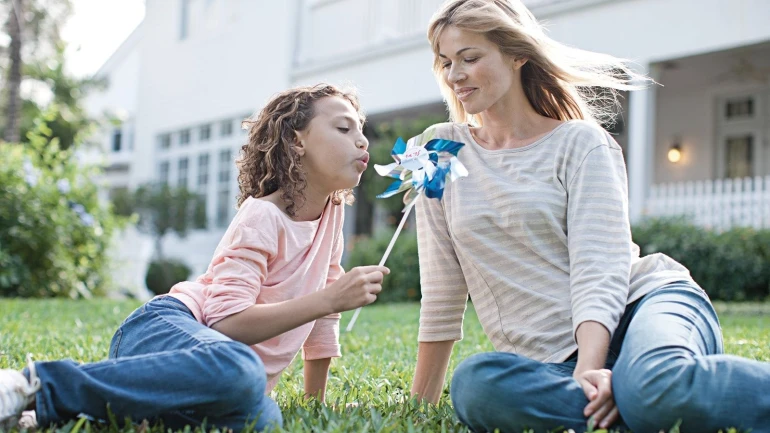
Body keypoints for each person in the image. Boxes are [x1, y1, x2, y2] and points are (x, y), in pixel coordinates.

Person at [408, 1, 770, 432]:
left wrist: (590, 369)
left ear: (518, 54)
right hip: (553, 363)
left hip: (642, 306)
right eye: (446, 63)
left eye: (470, 58)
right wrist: (420, 405)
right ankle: (635, 403)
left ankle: (644, 394)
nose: (455, 75)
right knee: (477, 385)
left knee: (656, 386)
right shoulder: (436, 151)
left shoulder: (582, 143)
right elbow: (442, 287)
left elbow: (600, 263)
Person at [0, 84, 389, 432]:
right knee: (240, 370)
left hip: (215, 376)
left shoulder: (331, 219)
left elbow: (322, 321)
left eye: (361, 130)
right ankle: (34, 383)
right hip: (165, 329)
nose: (362, 141)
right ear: (297, 141)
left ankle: (81, 413)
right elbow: (226, 322)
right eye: (344, 128)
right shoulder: (262, 216)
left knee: (265, 419)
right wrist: (330, 298)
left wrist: (315, 403)